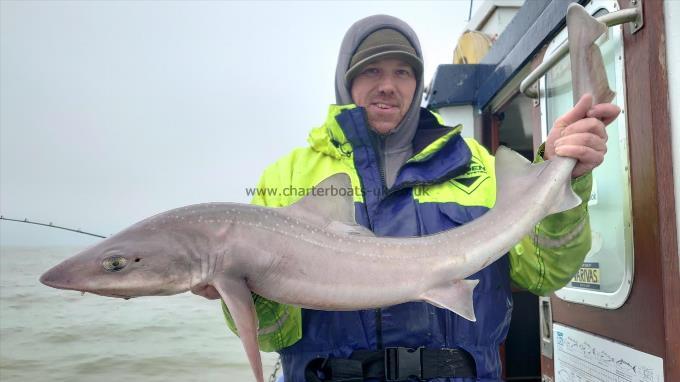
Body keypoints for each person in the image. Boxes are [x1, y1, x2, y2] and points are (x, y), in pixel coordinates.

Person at [196, 15, 620, 382]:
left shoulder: (474, 164)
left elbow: (545, 272)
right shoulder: (287, 177)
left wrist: (567, 175)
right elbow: (275, 336)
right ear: (346, 78)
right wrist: (238, 291)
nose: (388, 86)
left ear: (417, 82)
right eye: (371, 71)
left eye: (403, 72)